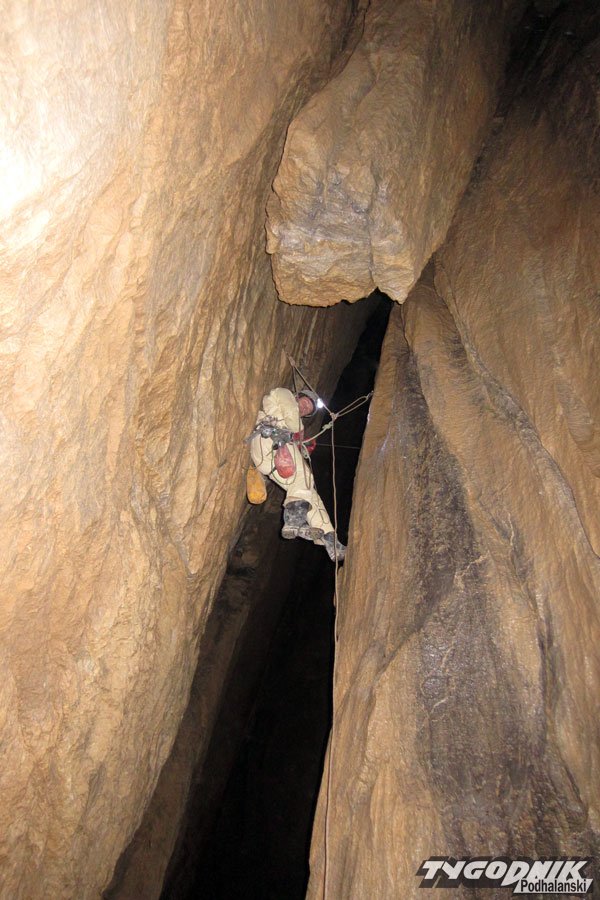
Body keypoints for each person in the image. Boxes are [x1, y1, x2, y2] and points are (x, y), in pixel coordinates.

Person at [249, 387, 346, 561]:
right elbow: (292, 417)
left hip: (273, 457)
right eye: (305, 403)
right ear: (297, 396)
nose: (304, 408)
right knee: (304, 477)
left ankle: (330, 539)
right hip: (268, 439)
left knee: (309, 491)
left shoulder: (295, 424)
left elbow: (294, 424)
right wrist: (299, 433)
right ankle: (294, 518)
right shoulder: (282, 393)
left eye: (308, 410)